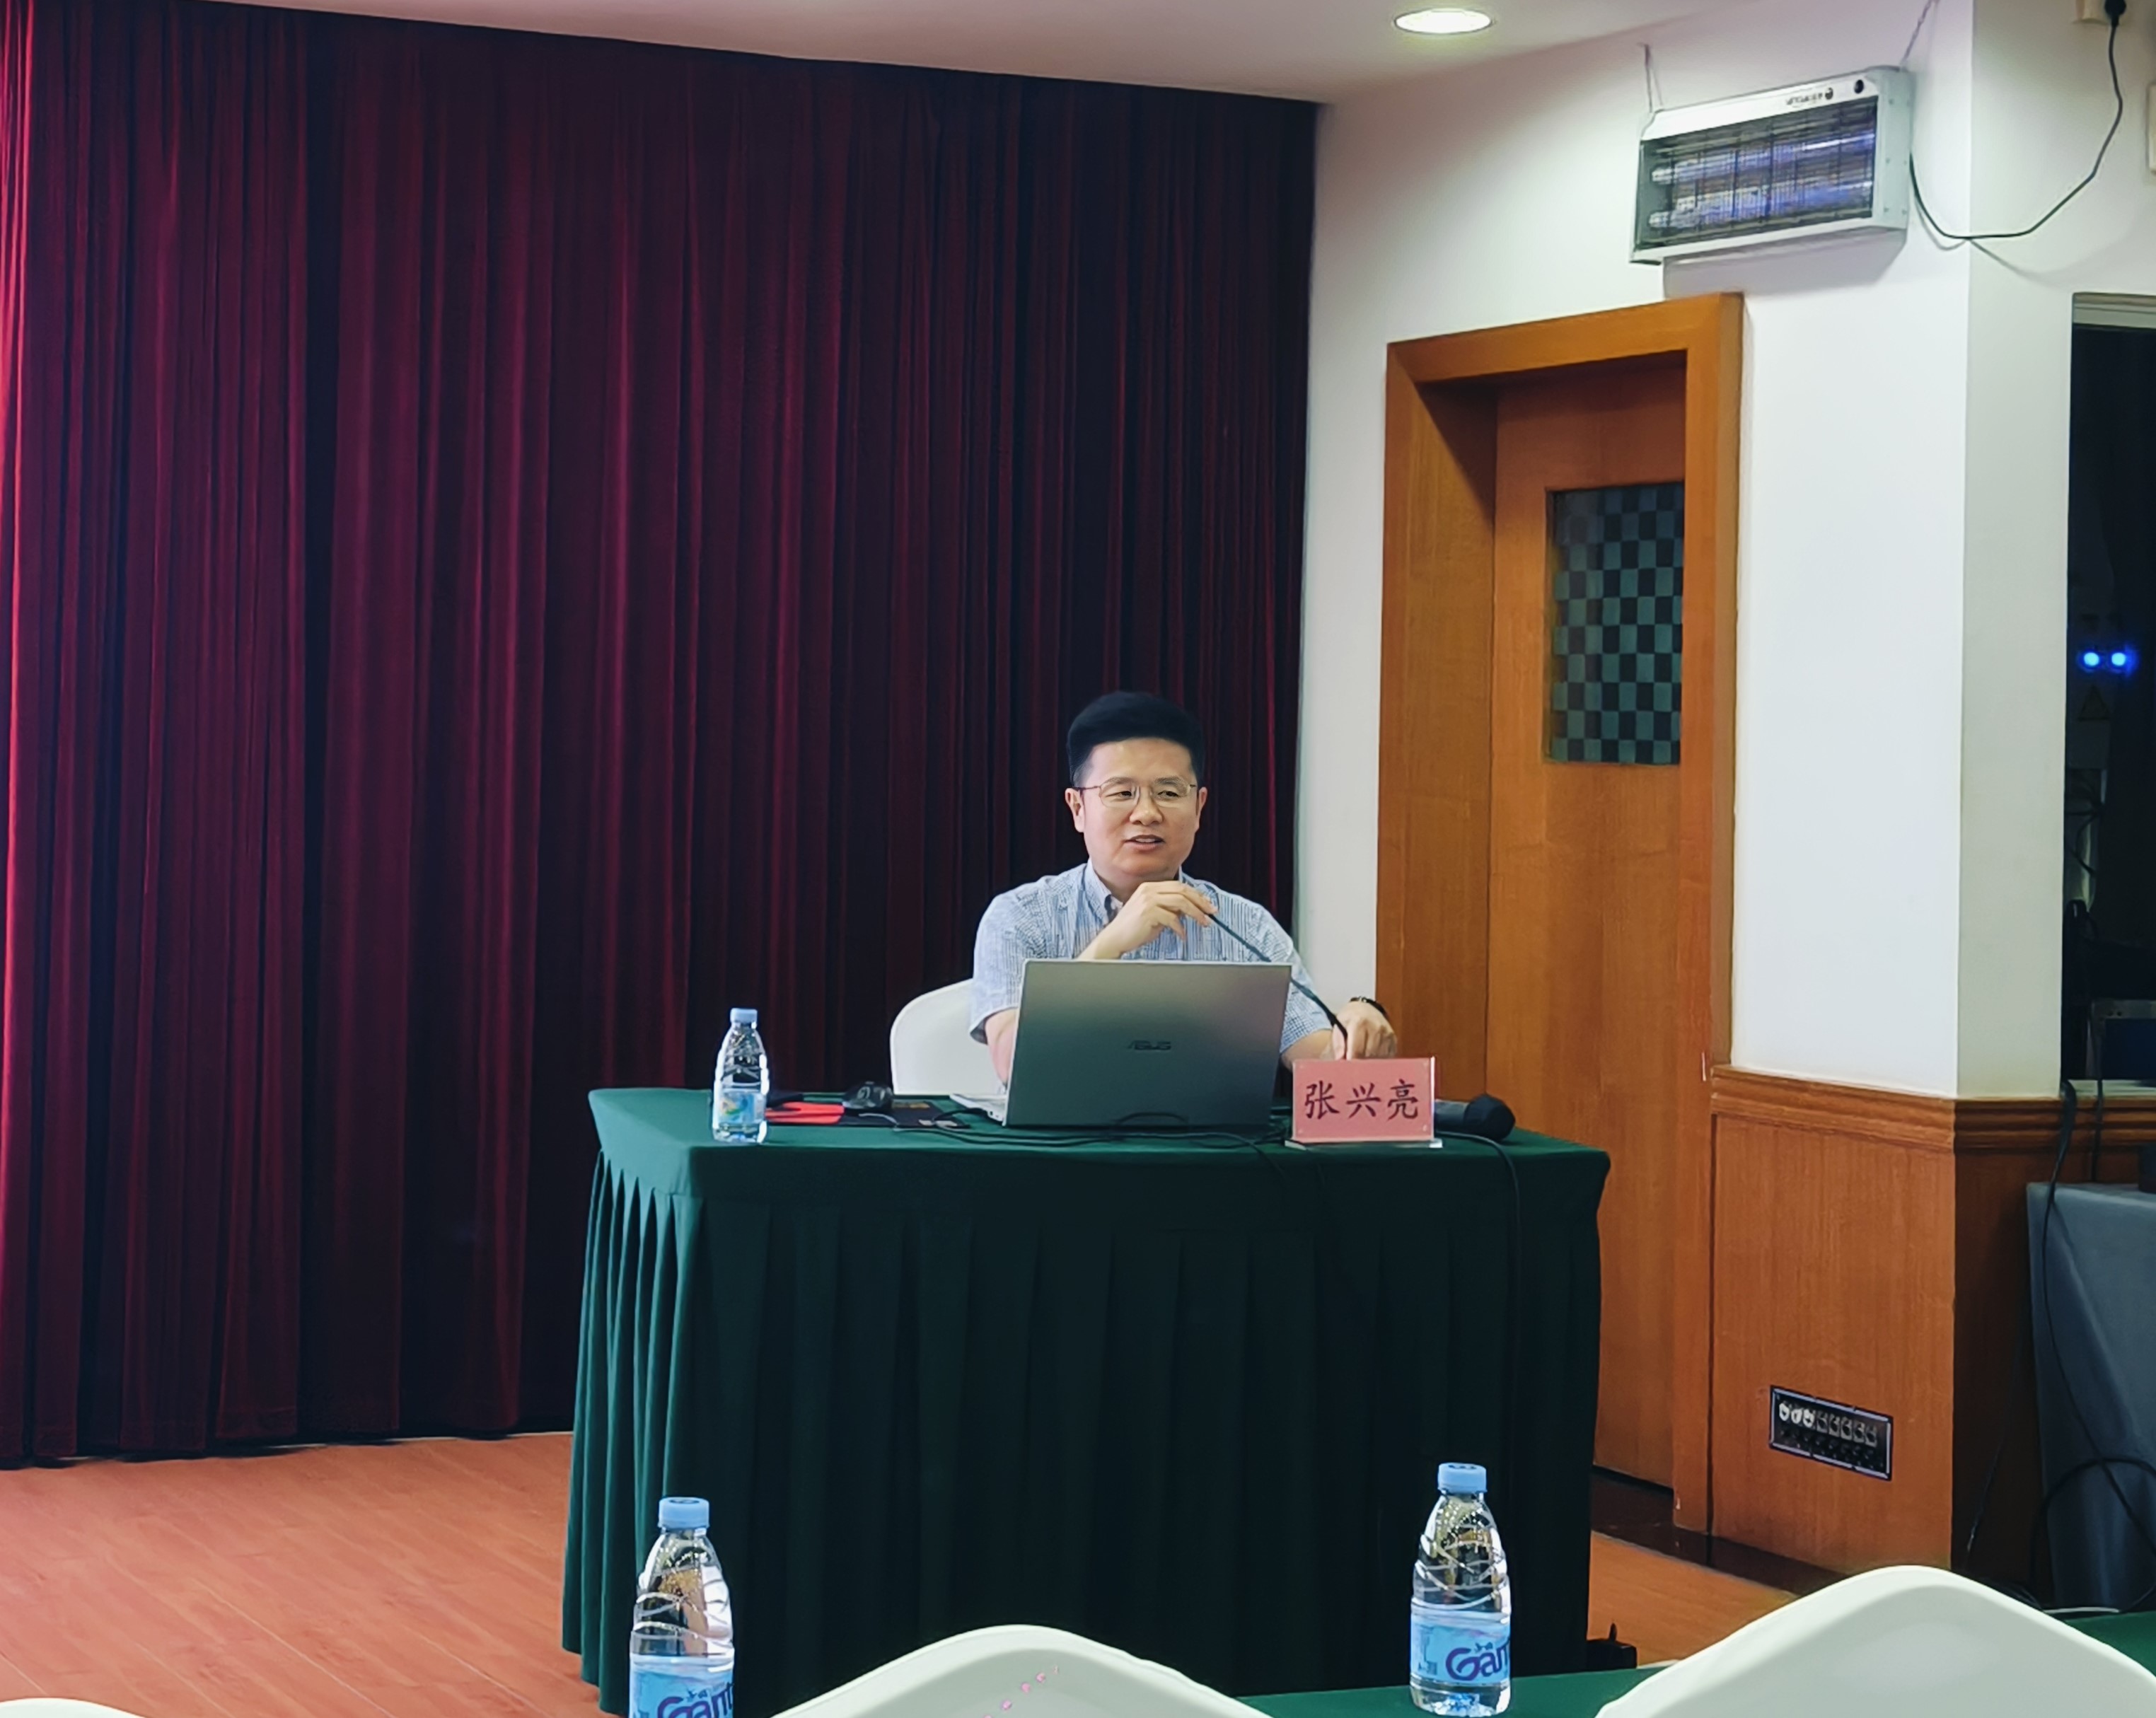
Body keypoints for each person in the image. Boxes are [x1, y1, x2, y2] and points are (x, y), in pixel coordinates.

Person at [970, 691, 1396, 1084]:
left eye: (1169, 792)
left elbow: (1317, 1061)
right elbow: (1011, 1064)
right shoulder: (1021, 917)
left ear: (1199, 807)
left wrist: (1355, 1032)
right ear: (1078, 808)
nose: (1147, 813)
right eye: (1122, 792)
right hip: (1061, 1142)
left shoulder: (1245, 926)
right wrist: (1110, 946)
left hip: (1212, 1143)